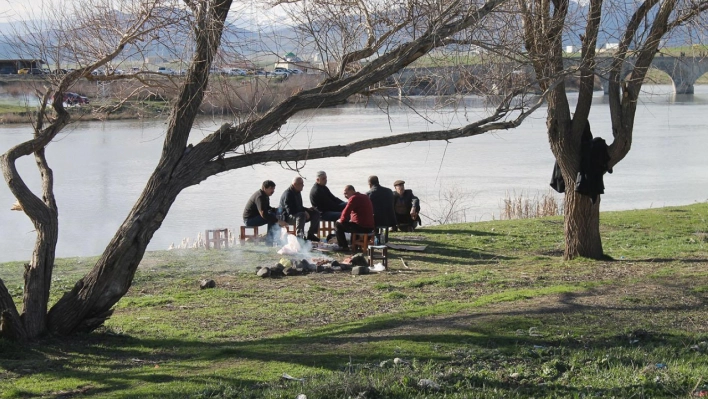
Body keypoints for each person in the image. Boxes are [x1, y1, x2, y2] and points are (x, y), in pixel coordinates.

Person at [279, 176, 321, 241]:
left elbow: (298, 206)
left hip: (296, 214)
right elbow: (290, 210)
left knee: (315, 212)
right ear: (295, 184)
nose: (303, 185)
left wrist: (307, 209)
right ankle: (300, 237)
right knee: (302, 215)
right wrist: (304, 211)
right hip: (287, 217)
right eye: (301, 183)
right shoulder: (288, 194)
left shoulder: (297, 191)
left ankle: (310, 234)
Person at [335, 185, 375, 250]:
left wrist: (341, 220)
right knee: (353, 223)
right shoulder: (365, 196)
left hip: (362, 227)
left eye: (346, 193)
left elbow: (345, 212)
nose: (345, 196)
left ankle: (343, 246)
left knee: (338, 224)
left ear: (352, 191)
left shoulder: (354, 198)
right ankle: (354, 246)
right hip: (370, 227)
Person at [242, 180, 280, 245]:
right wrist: (277, 221)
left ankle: (275, 239)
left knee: (275, 214)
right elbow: (263, 214)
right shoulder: (260, 196)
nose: (273, 191)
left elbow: (267, 208)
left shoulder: (265, 196)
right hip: (249, 220)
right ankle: (269, 242)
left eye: (274, 189)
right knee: (272, 217)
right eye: (271, 189)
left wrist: (276, 210)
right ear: (264, 188)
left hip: (256, 217)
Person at [366, 175, 396, 243]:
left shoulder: (369, 193)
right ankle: (381, 238)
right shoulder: (389, 191)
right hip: (390, 218)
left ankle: (373, 237)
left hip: (377, 220)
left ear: (370, 184)